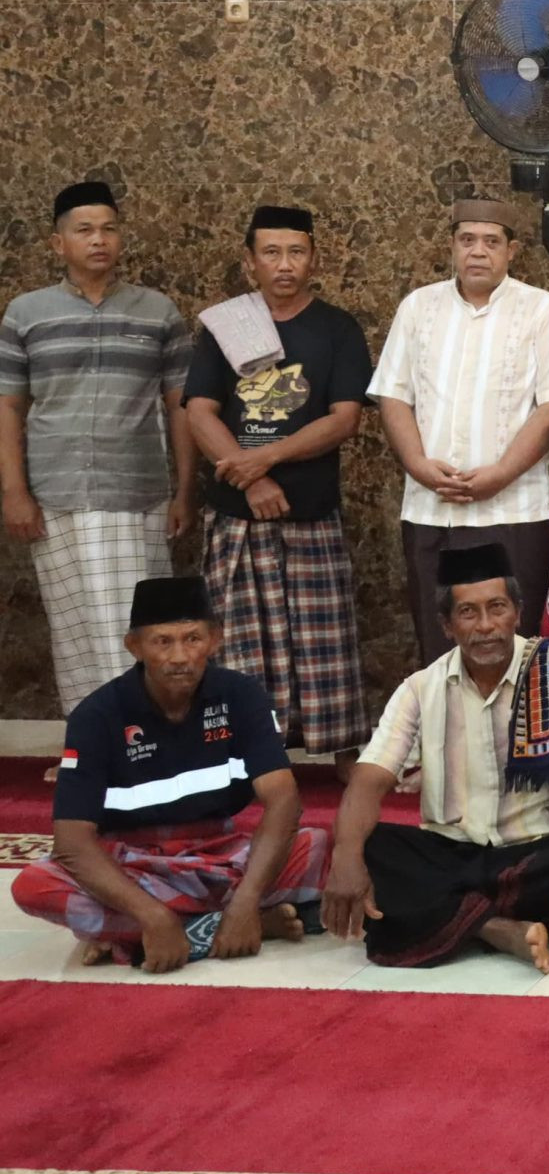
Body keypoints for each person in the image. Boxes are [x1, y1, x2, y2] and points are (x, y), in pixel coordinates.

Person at [321, 545, 549, 972]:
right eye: (468, 613)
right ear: (447, 625)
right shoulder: (420, 688)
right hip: (452, 857)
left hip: (536, 856)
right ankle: (495, 928)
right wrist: (346, 858)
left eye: (497, 608)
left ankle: (454, 915)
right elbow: (369, 779)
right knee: (370, 847)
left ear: (517, 612)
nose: (485, 626)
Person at [10, 576, 327, 971]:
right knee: (34, 886)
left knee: (321, 847)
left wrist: (246, 900)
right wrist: (152, 914)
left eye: (192, 639)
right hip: (132, 864)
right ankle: (210, 927)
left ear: (215, 640)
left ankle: (135, 935)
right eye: (162, 642)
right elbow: (71, 843)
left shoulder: (241, 695)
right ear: (135, 646)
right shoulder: (95, 716)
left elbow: (283, 801)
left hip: (223, 855)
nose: (179, 656)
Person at [183, 206, 372, 774]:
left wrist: (264, 458)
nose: (284, 265)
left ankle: (343, 752)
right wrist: (253, 480)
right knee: (240, 645)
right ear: (250, 262)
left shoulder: (336, 328)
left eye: (296, 252)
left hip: (309, 508)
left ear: (313, 259)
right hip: (236, 512)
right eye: (271, 253)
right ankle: (245, 757)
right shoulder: (224, 326)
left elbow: (344, 419)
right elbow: (199, 411)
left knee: (325, 643)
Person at [0, 182, 197, 726]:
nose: (98, 240)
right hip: (55, 494)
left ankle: (144, 742)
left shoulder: (156, 312)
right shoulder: (26, 314)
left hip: (136, 495)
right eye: (84, 230)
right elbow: (8, 405)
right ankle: (88, 744)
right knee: (73, 631)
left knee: (136, 629)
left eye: (109, 228)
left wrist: (184, 490)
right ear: (57, 243)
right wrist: (14, 491)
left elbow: (181, 405)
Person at [370, 199, 549, 668]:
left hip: (514, 511)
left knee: (513, 648)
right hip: (431, 510)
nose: (478, 252)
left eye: (491, 242)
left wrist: (500, 474)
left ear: (512, 251)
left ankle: (515, 721)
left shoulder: (542, 310)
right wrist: (418, 466)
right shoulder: (418, 308)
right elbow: (393, 395)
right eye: (467, 240)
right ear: (452, 246)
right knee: (440, 647)